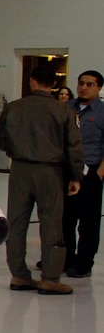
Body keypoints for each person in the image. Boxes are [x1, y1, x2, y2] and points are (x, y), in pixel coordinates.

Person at [0, 65, 84, 294]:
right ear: (54, 84)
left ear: (32, 82)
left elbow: (1, 141)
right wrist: (75, 175)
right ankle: (51, 278)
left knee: (16, 222)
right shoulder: (64, 111)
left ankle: (18, 274)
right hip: (50, 171)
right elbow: (74, 147)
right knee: (51, 223)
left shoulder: (13, 108)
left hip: (20, 170)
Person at [63, 69, 104, 278]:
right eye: (81, 83)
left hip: (91, 173)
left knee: (88, 221)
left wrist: (99, 173)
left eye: (89, 84)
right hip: (67, 172)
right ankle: (65, 258)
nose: (84, 87)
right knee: (65, 219)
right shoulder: (66, 108)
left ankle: (84, 262)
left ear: (98, 88)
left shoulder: (101, 111)